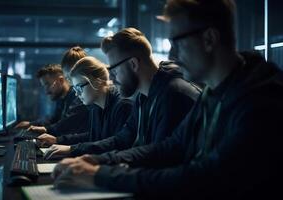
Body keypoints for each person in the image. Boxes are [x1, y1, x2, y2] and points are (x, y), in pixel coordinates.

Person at [52, 0, 283, 199]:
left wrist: (101, 175)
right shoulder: (213, 94)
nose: (172, 55)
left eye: (178, 42)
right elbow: (171, 146)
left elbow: (204, 178)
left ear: (209, 39)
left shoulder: (260, 103)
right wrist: (97, 162)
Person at [42, 27, 200, 159]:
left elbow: (159, 159)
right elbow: (122, 140)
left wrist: (98, 168)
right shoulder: (143, 97)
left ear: (133, 64)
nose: (112, 76)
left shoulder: (173, 96)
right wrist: (85, 156)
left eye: (114, 69)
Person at [37, 56, 133, 159]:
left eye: (79, 87)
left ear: (96, 81)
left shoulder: (123, 106)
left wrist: (71, 149)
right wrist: (59, 141)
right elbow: (92, 137)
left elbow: (115, 145)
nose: (77, 94)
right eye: (75, 89)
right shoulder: (95, 107)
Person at [15, 64, 89, 136]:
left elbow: (66, 124)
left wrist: (46, 130)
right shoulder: (62, 98)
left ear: (61, 80)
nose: (46, 91)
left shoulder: (77, 98)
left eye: (47, 85)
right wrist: (31, 124)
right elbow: (54, 119)